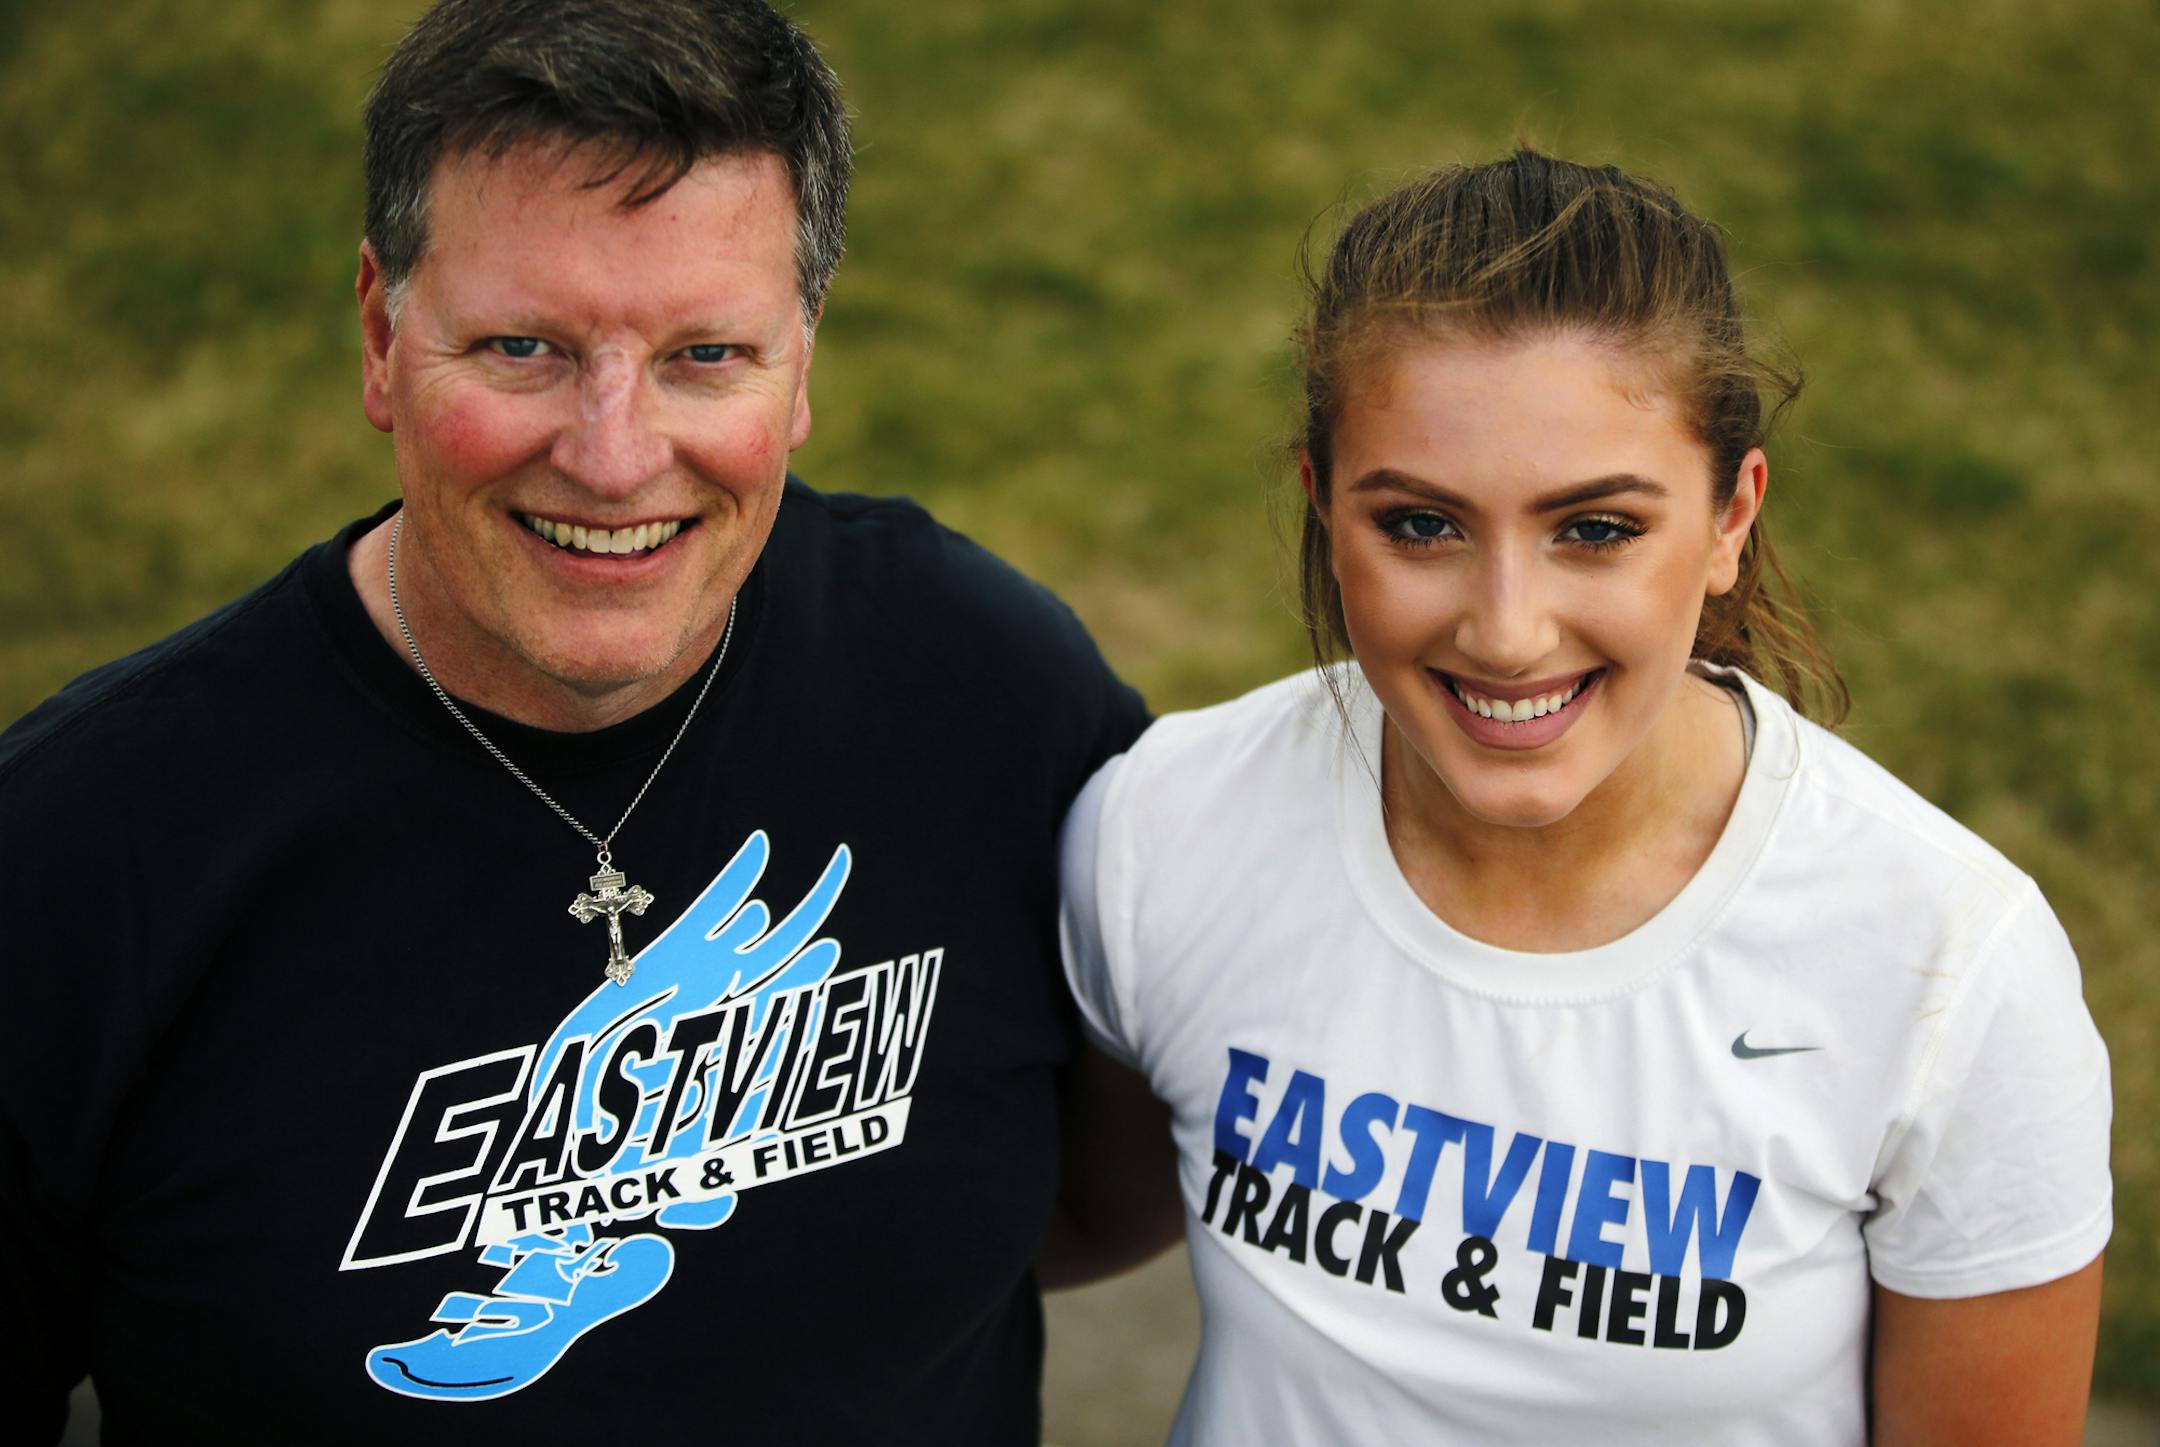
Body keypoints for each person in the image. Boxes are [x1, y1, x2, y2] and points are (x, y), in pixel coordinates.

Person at [0, 2, 1156, 1442]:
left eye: (706, 357)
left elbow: (1132, 1175)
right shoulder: (74, 855)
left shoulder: (984, 683)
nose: (614, 456)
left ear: (802, 359)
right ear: (379, 335)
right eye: (526, 348)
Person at [1060, 151, 2112, 1445]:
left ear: (1733, 517)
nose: (1507, 632)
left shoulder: (1946, 968)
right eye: (1422, 526)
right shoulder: (1166, 827)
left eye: (1597, 529)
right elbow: (1030, 1227)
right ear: (1322, 502)